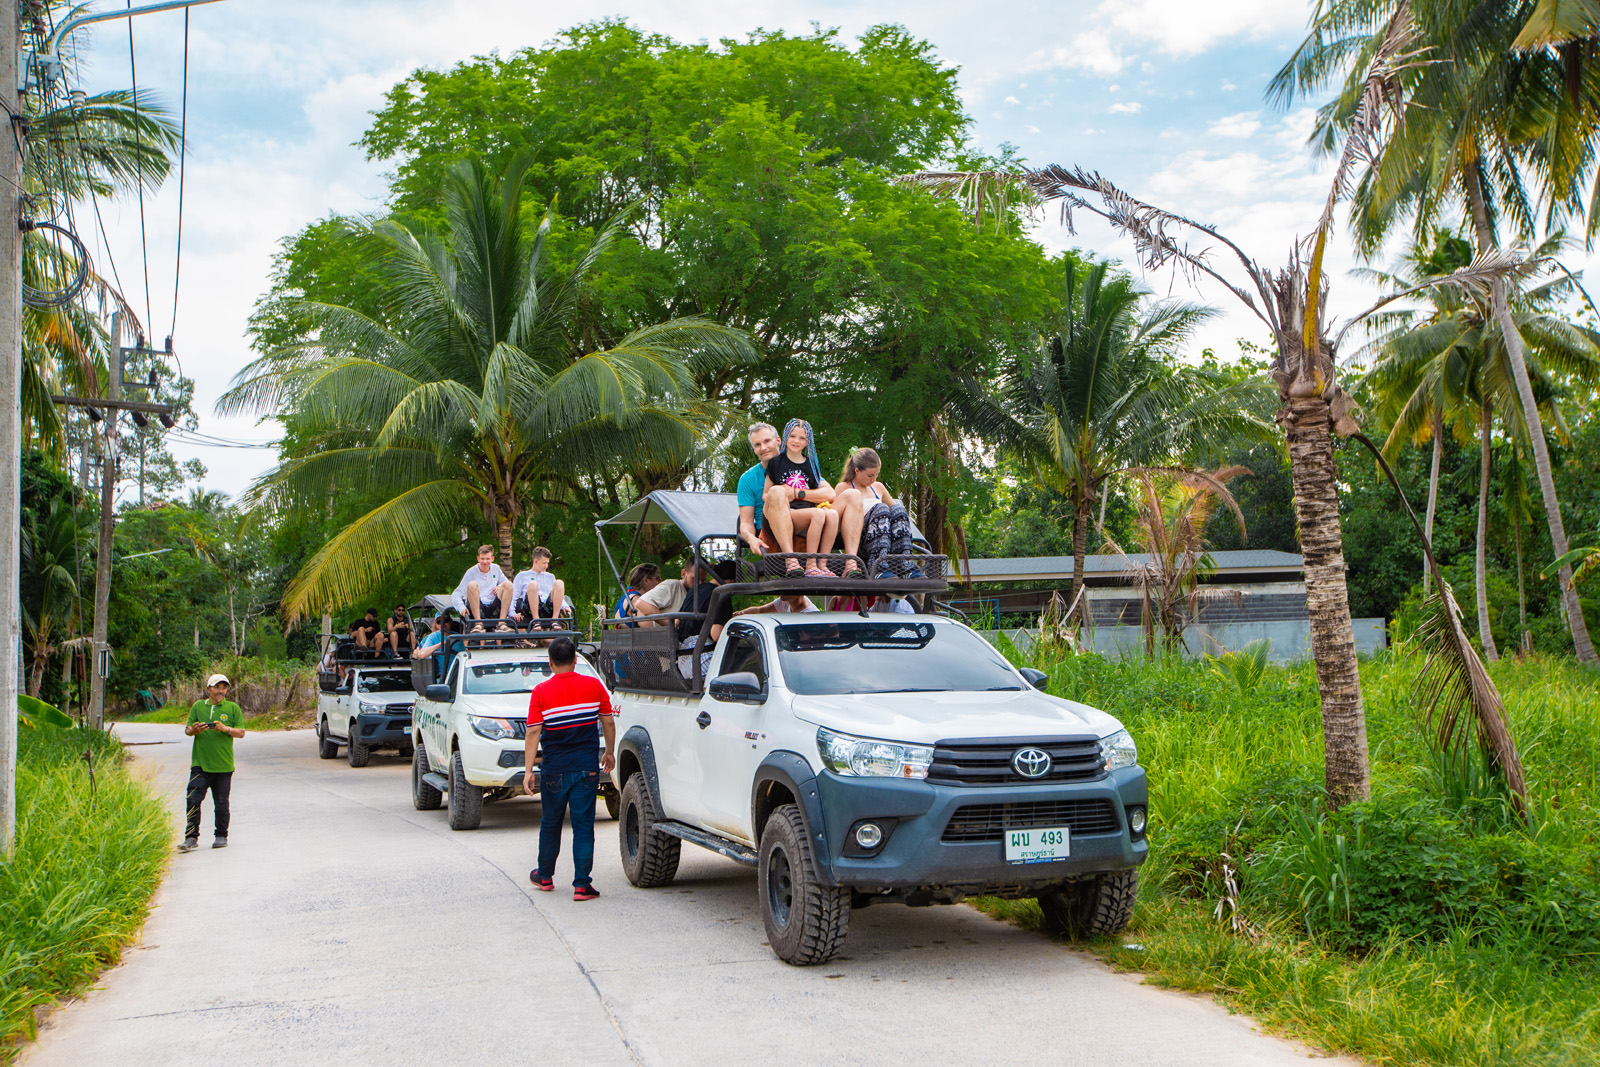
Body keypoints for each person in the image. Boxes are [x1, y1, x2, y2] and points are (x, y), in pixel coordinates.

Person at [524, 637, 616, 901]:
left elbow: (533, 732)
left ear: (550, 663)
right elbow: (608, 722)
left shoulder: (541, 692)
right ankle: (582, 885)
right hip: (586, 768)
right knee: (583, 825)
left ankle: (544, 875)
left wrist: (528, 770)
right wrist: (609, 752)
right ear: (576, 660)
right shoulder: (594, 685)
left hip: (554, 768)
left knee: (550, 822)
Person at [762, 419, 843, 576]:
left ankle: (822, 565)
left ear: (807, 442)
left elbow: (821, 492)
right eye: (793, 436)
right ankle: (809, 564)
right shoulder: (776, 463)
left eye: (802, 438)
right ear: (786, 437)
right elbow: (766, 494)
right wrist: (782, 496)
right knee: (817, 513)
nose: (796, 441)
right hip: (786, 513)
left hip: (806, 512)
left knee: (831, 514)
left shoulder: (811, 465)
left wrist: (796, 493)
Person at [178, 674, 245, 852]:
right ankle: (191, 837)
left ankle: (221, 835)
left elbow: (241, 732)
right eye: (217, 687)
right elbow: (187, 729)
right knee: (193, 799)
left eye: (224, 688)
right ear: (208, 689)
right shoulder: (198, 706)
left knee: (221, 803)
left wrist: (226, 729)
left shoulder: (232, 708)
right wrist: (194, 730)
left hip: (223, 765)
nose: (220, 691)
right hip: (200, 764)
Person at [832, 446, 918, 578]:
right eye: (870, 475)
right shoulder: (844, 488)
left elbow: (897, 515)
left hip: (886, 541)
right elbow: (840, 521)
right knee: (881, 509)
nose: (874, 479)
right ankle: (877, 567)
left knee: (898, 509)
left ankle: (905, 565)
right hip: (861, 541)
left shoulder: (878, 487)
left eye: (876, 475)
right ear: (857, 471)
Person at [736, 422, 783, 558]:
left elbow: (829, 494)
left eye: (767, 441)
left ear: (778, 441)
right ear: (754, 450)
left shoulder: (798, 466)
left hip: (804, 530)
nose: (763, 448)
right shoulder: (748, 479)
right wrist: (751, 539)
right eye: (757, 445)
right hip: (771, 536)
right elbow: (746, 523)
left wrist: (797, 493)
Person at [451, 545, 514, 630]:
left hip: (493, 607)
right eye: (482, 559)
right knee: (472, 585)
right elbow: (456, 594)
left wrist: (499, 587)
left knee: (509, 584)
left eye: (487, 559)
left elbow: (505, 584)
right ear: (478, 558)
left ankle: (502, 623)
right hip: (477, 608)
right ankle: (478, 623)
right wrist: (462, 608)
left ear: (492, 559)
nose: (485, 562)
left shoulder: (496, 568)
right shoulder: (471, 572)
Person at [512, 547, 569, 630]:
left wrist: (565, 606)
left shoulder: (550, 577)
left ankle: (555, 620)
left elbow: (558, 595)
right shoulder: (522, 576)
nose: (546, 566)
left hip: (547, 606)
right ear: (535, 561)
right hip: (529, 608)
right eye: (544, 563)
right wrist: (512, 613)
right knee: (533, 584)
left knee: (559, 583)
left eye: (547, 563)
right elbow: (513, 597)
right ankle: (536, 621)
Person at [633, 557, 691, 626]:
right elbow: (648, 626)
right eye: (657, 579)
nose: (661, 581)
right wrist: (671, 625)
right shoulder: (634, 598)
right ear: (646, 581)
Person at [733, 592, 818, 615]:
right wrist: (742, 613)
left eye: (788, 588)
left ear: (799, 594)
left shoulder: (809, 614)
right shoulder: (784, 602)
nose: (781, 590)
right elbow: (760, 610)